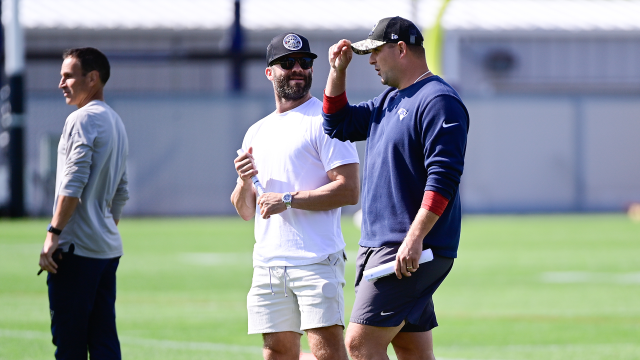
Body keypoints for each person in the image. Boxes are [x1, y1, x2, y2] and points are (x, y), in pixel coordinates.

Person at [322, 17, 470, 360]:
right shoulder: (389, 98)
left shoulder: (438, 100)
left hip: (408, 250)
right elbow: (337, 123)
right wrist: (337, 71)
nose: (371, 60)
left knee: (360, 343)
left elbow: (444, 177)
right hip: (388, 246)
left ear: (400, 48)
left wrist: (415, 238)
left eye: (376, 51)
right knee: (410, 348)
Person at [231, 32, 360, 360]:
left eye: (305, 62)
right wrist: (244, 181)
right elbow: (246, 210)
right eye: (287, 63)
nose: (298, 69)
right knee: (277, 353)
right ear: (269, 72)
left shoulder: (327, 121)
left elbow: (349, 188)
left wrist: (287, 199)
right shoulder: (256, 131)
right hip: (269, 264)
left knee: (326, 353)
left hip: (316, 260)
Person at [38, 47, 129, 360]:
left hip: (76, 252)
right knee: (104, 340)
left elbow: (72, 184)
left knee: (70, 344)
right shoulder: (115, 121)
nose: (61, 83)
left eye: (68, 76)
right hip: (107, 249)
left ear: (92, 78)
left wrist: (54, 233)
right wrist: (103, 227)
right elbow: (122, 190)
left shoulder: (81, 119)